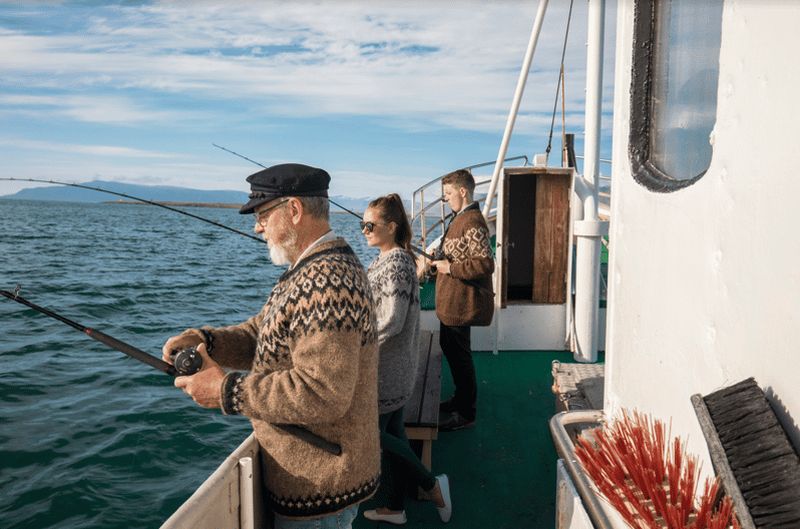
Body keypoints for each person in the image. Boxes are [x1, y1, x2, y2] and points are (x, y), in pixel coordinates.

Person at [161, 163, 380, 529]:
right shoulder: (309, 270)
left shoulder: (326, 282)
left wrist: (226, 390)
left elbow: (323, 393)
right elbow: (259, 334)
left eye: (263, 215)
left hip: (321, 491)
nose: (257, 227)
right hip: (315, 482)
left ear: (293, 211)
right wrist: (207, 341)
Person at [359, 194, 452, 525]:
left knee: (368, 435)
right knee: (396, 434)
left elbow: (392, 320)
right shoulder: (393, 259)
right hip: (396, 365)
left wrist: (358, 346)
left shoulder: (396, 262)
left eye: (370, 225)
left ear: (391, 226)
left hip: (387, 367)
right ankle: (395, 507)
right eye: (362, 224)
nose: (364, 230)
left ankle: (430, 483)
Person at [422, 169, 494, 432]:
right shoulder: (459, 218)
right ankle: (459, 400)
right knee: (451, 349)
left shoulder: (472, 221)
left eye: (448, 194)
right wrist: (437, 265)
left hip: (461, 304)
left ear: (463, 192)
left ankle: (466, 412)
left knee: (459, 355)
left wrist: (450, 269)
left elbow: (485, 263)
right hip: (451, 303)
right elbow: (452, 256)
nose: (446, 199)